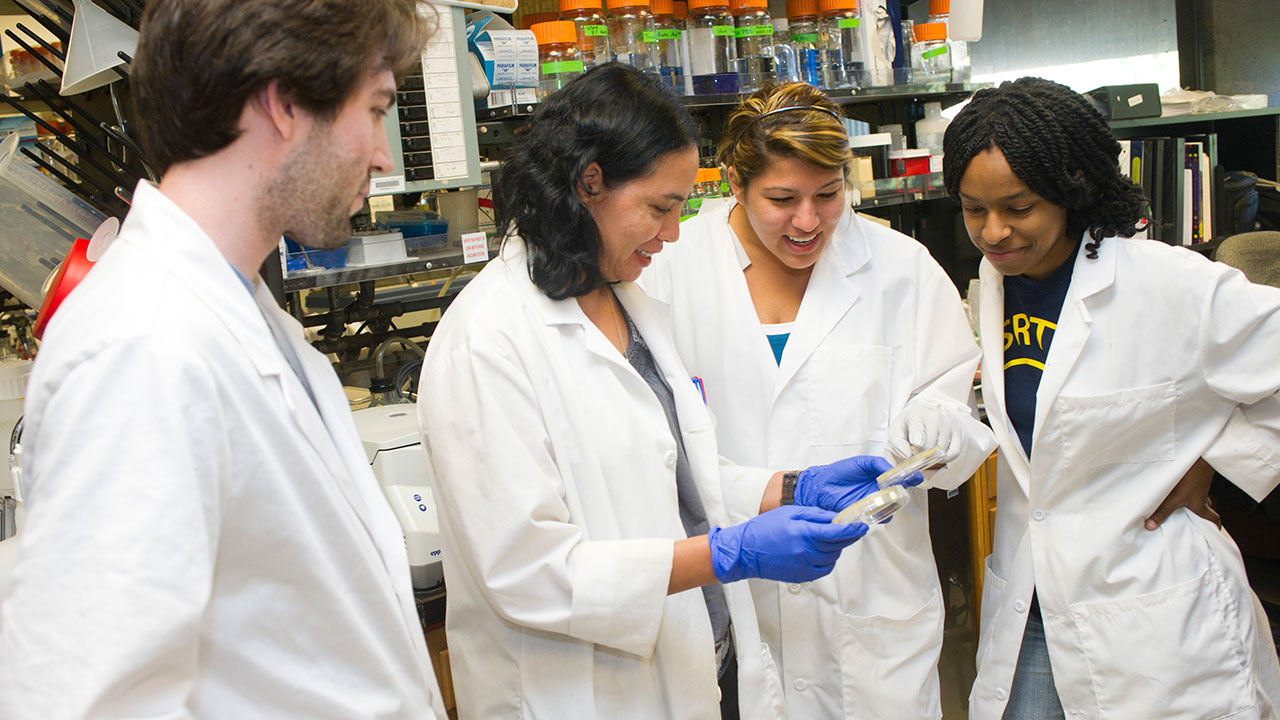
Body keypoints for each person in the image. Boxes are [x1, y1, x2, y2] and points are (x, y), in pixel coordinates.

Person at [415, 64, 910, 720]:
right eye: (660, 208)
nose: (674, 233)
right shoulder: (488, 338)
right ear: (589, 183)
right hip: (578, 695)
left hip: (697, 665)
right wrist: (729, 554)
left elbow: (669, 481)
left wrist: (789, 491)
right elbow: (528, 574)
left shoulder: (629, 301)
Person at [0, 1, 447, 717]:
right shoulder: (144, 346)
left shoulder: (238, 315)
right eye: (375, 109)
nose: (384, 153)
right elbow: (88, 700)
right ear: (285, 104)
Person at [641, 81, 997, 719]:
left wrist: (940, 429)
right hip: (731, 603)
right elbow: (651, 452)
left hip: (871, 611)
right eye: (782, 199)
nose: (808, 222)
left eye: (828, 195)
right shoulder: (669, 270)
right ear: (733, 182)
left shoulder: (902, 269)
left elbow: (960, 415)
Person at [944, 76, 1280, 719]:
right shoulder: (993, 284)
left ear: (1072, 194)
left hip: (1151, 610)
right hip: (1031, 600)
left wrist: (1222, 457)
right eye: (972, 208)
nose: (992, 232)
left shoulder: (1165, 284)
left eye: (1019, 208)